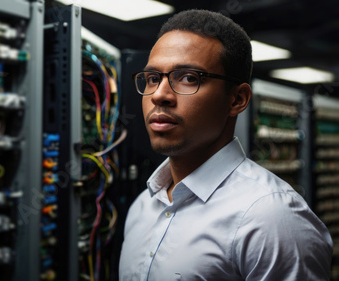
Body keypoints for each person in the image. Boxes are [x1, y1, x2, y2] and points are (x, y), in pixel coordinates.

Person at [119, 9, 333, 281]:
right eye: (152, 78)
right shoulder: (143, 206)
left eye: (188, 78)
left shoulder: (272, 219)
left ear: (237, 100)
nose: (160, 95)